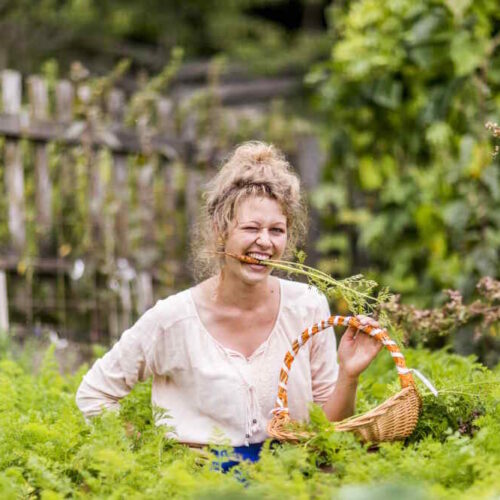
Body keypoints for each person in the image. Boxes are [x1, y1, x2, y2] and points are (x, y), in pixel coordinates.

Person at [76, 141, 381, 465]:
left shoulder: (307, 307)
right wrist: (149, 456)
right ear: (220, 230)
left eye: (276, 230)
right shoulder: (173, 319)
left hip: (290, 479)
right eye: (251, 228)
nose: (264, 242)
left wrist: (349, 375)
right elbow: (94, 394)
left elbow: (329, 432)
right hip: (200, 483)